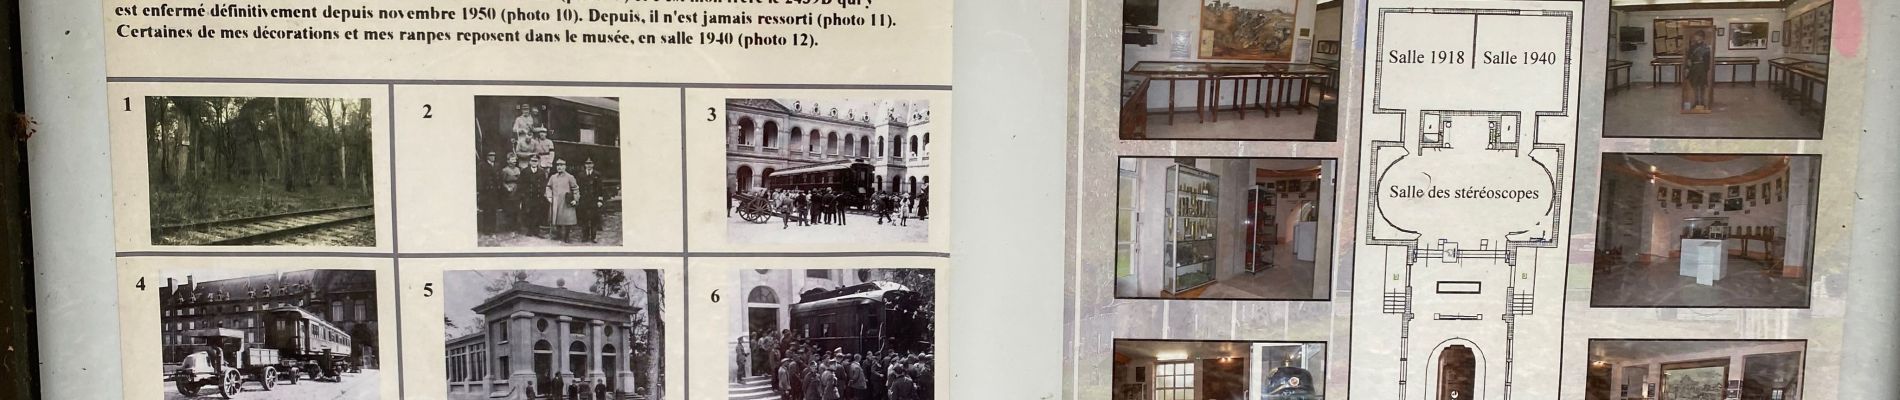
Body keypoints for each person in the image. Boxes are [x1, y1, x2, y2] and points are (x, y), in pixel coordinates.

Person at [546, 158, 581, 242]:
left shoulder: (570, 177)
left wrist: (575, 199)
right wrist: (549, 196)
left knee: (567, 220)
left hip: (566, 201)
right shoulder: (553, 177)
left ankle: (566, 237)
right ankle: (558, 235)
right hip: (555, 201)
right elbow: (548, 187)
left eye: (561, 165)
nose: (559, 167)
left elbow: (575, 189)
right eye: (558, 165)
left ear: (565, 167)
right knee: (556, 218)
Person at [576, 158, 605, 243]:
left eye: (590, 163)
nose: (588, 165)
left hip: (593, 200)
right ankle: (585, 236)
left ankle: (593, 237)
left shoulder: (597, 175)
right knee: (584, 219)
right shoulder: (581, 175)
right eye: (587, 163)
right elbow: (578, 187)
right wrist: (578, 198)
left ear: (593, 165)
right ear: (585, 165)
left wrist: (600, 200)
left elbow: (600, 189)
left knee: (594, 219)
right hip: (584, 200)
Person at [519, 155, 548, 238]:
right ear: (529, 162)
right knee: (528, 212)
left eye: (536, 161)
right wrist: (523, 195)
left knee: (537, 213)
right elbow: (521, 184)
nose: (534, 162)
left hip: (538, 196)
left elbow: (544, 184)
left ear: (538, 162)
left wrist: (543, 193)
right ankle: (529, 230)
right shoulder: (525, 171)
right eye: (532, 161)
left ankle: (536, 230)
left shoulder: (541, 172)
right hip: (528, 196)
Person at [1685, 29, 1713, 113]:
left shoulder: (1706, 47)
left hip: (1701, 68)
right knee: (1694, 86)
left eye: (1696, 36)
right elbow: (1689, 59)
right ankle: (1696, 101)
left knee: (1702, 86)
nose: (1695, 37)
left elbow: (1707, 60)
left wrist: (1706, 70)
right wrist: (1687, 67)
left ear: (1701, 37)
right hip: (1694, 68)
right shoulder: (1692, 47)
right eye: (1695, 36)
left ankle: (1702, 102)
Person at [499, 155, 523, 237]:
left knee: (517, 209)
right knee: (510, 210)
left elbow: (520, 180)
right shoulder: (505, 170)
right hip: (509, 192)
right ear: (508, 161)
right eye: (512, 160)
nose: (514, 161)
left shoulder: (518, 169)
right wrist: (507, 188)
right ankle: (510, 228)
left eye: (515, 160)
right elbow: (502, 182)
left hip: (517, 191)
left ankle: (517, 227)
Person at [478, 151, 500, 235]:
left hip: (494, 191)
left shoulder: (496, 165)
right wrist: (482, 189)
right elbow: (481, 178)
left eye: (494, 155)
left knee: (493, 210)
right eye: (491, 155)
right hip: (486, 192)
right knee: (487, 210)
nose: (493, 157)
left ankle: (493, 228)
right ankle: (487, 229)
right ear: (487, 156)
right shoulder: (483, 166)